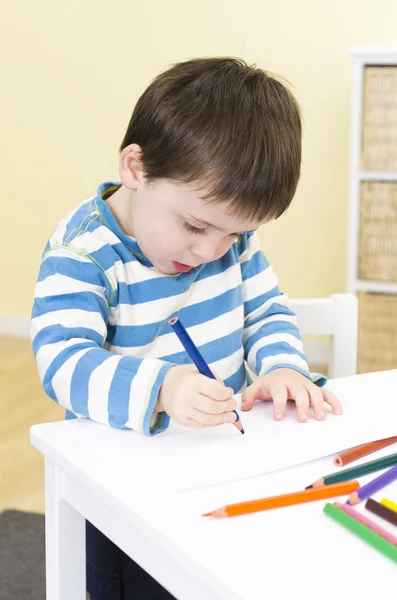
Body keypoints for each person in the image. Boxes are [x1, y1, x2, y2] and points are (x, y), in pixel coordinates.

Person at [31, 57, 342, 600]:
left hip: (215, 464)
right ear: (136, 168)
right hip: (118, 489)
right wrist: (163, 388)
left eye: (235, 233)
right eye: (195, 226)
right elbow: (62, 362)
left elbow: (266, 309)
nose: (209, 252)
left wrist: (282, 365)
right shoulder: (83, 254)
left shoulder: (228, 237)